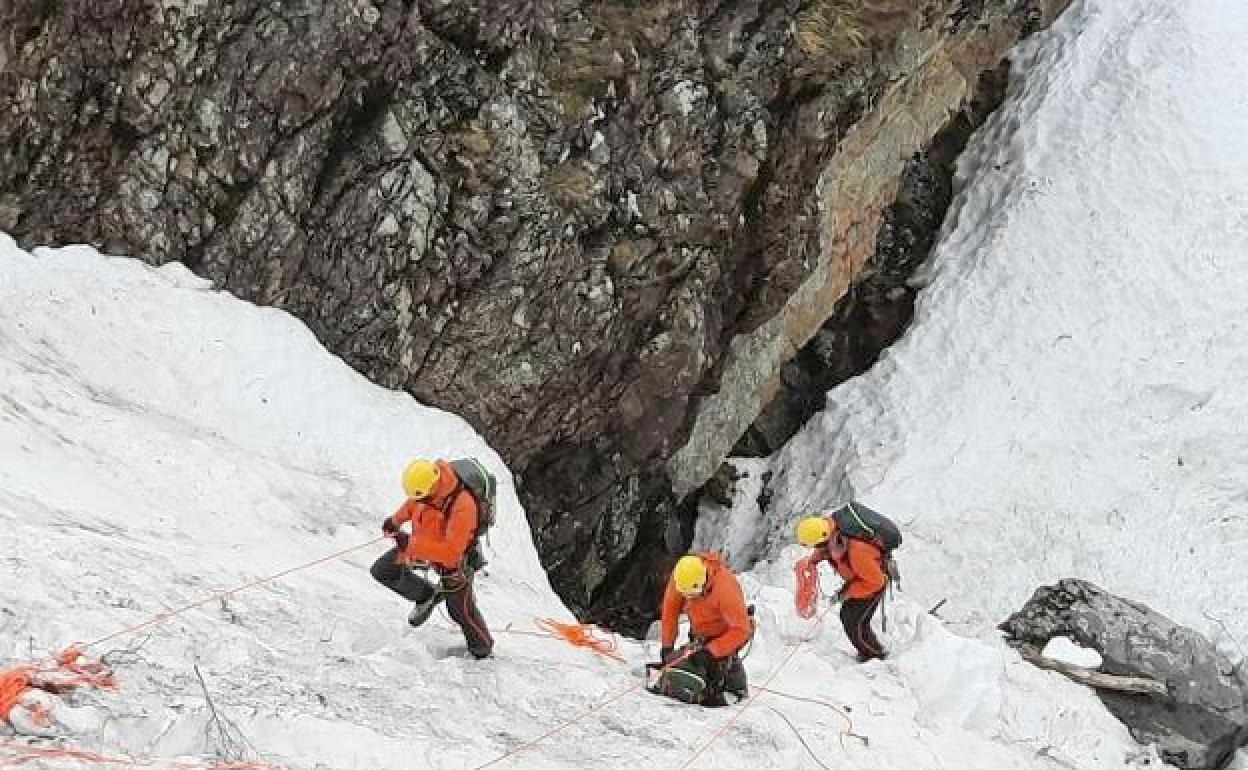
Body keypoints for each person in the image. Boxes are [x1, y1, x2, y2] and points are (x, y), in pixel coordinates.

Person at [371, 458, 493, 659]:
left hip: (454, 564)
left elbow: (452, 553)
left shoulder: (463, 505)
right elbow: (414, 503)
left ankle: (482, 649)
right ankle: (426, 595)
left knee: (461, 612)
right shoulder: (428, 490)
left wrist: (409, 544)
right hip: (423, 546)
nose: (418, 500)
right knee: (383, 570)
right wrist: (396, 520)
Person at [657, 552, 752, 706]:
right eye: (685, 595)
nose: (689, 599)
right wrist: (667, 646)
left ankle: (735, 689)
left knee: (720, 664)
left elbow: (741, 630)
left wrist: (711, 651)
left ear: (704, 581)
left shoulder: (725, 588)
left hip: (728, 632)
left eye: (693, 594)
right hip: (700, 630)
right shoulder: (681, 577)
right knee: (694, 661)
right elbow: (670, 612)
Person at [796, 515, 888, 662]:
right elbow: (823, 549)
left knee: (852, 620)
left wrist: (847, 592)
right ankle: (871, 650)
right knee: (851, 616)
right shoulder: (833, 535)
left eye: (817, 546)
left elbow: (876, 582)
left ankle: (874, 656)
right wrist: (813, 561)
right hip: (861, 578)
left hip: (873, 583)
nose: (816, 549)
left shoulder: (857, 550)